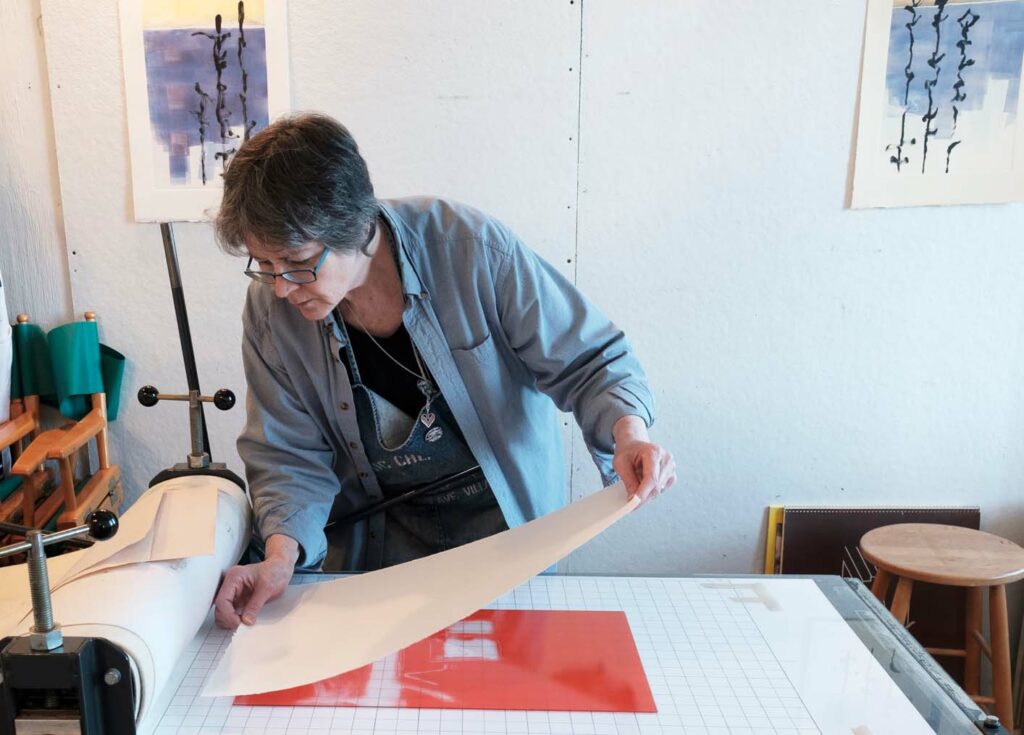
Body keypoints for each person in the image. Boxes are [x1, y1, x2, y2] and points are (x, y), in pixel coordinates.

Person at [211, 112, 676, 629]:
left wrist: (630, 435)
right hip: (383, 561)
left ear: (354, 227)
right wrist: (280, 558)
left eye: (295, 262)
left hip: (509, 546)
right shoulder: (271, 313)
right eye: (263, 265)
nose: (279, 286)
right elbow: (288, 454)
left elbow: (589, 360)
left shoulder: (472, 251)